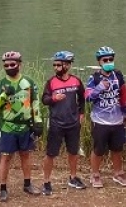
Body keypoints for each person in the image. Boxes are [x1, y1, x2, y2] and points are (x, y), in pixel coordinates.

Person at [0, 51, 43, 202]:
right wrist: (4, 96)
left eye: (12, 64)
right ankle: (3, 188)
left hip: (25, 126)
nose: (9, 67)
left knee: (25, 155)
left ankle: (27, 184)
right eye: (6, 65)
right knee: (5, 157)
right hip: (8, 127)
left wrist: (38, 121)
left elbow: (35, 102)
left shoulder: (29, 82)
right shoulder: (0, 84)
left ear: (19, 64)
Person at [41, 51, 86, 195]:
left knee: (73, 151)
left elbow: (82, 98)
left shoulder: (76, 81)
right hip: (56, 123)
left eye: (58, 65)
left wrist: (81, 114)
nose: (55, 67)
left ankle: (72, 178)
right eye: (54, 65)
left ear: (67, 65)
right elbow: (44, 100)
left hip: (73, 123)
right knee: (50, 153)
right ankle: (46, 182)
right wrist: (54, 98)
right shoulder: (51, 82)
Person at [85, 46, 126, 188]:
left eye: (111, 59)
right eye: (105, 60)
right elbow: (86, 97)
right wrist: (99, 88)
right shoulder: (94, 78)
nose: (108, 62)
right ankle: (95, 175)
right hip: (100, 120)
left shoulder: (118, 75)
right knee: (98, 149)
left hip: (117, 120)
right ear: (100, 62)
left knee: (117, 148)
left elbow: (123, 94)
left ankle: (118, 173)